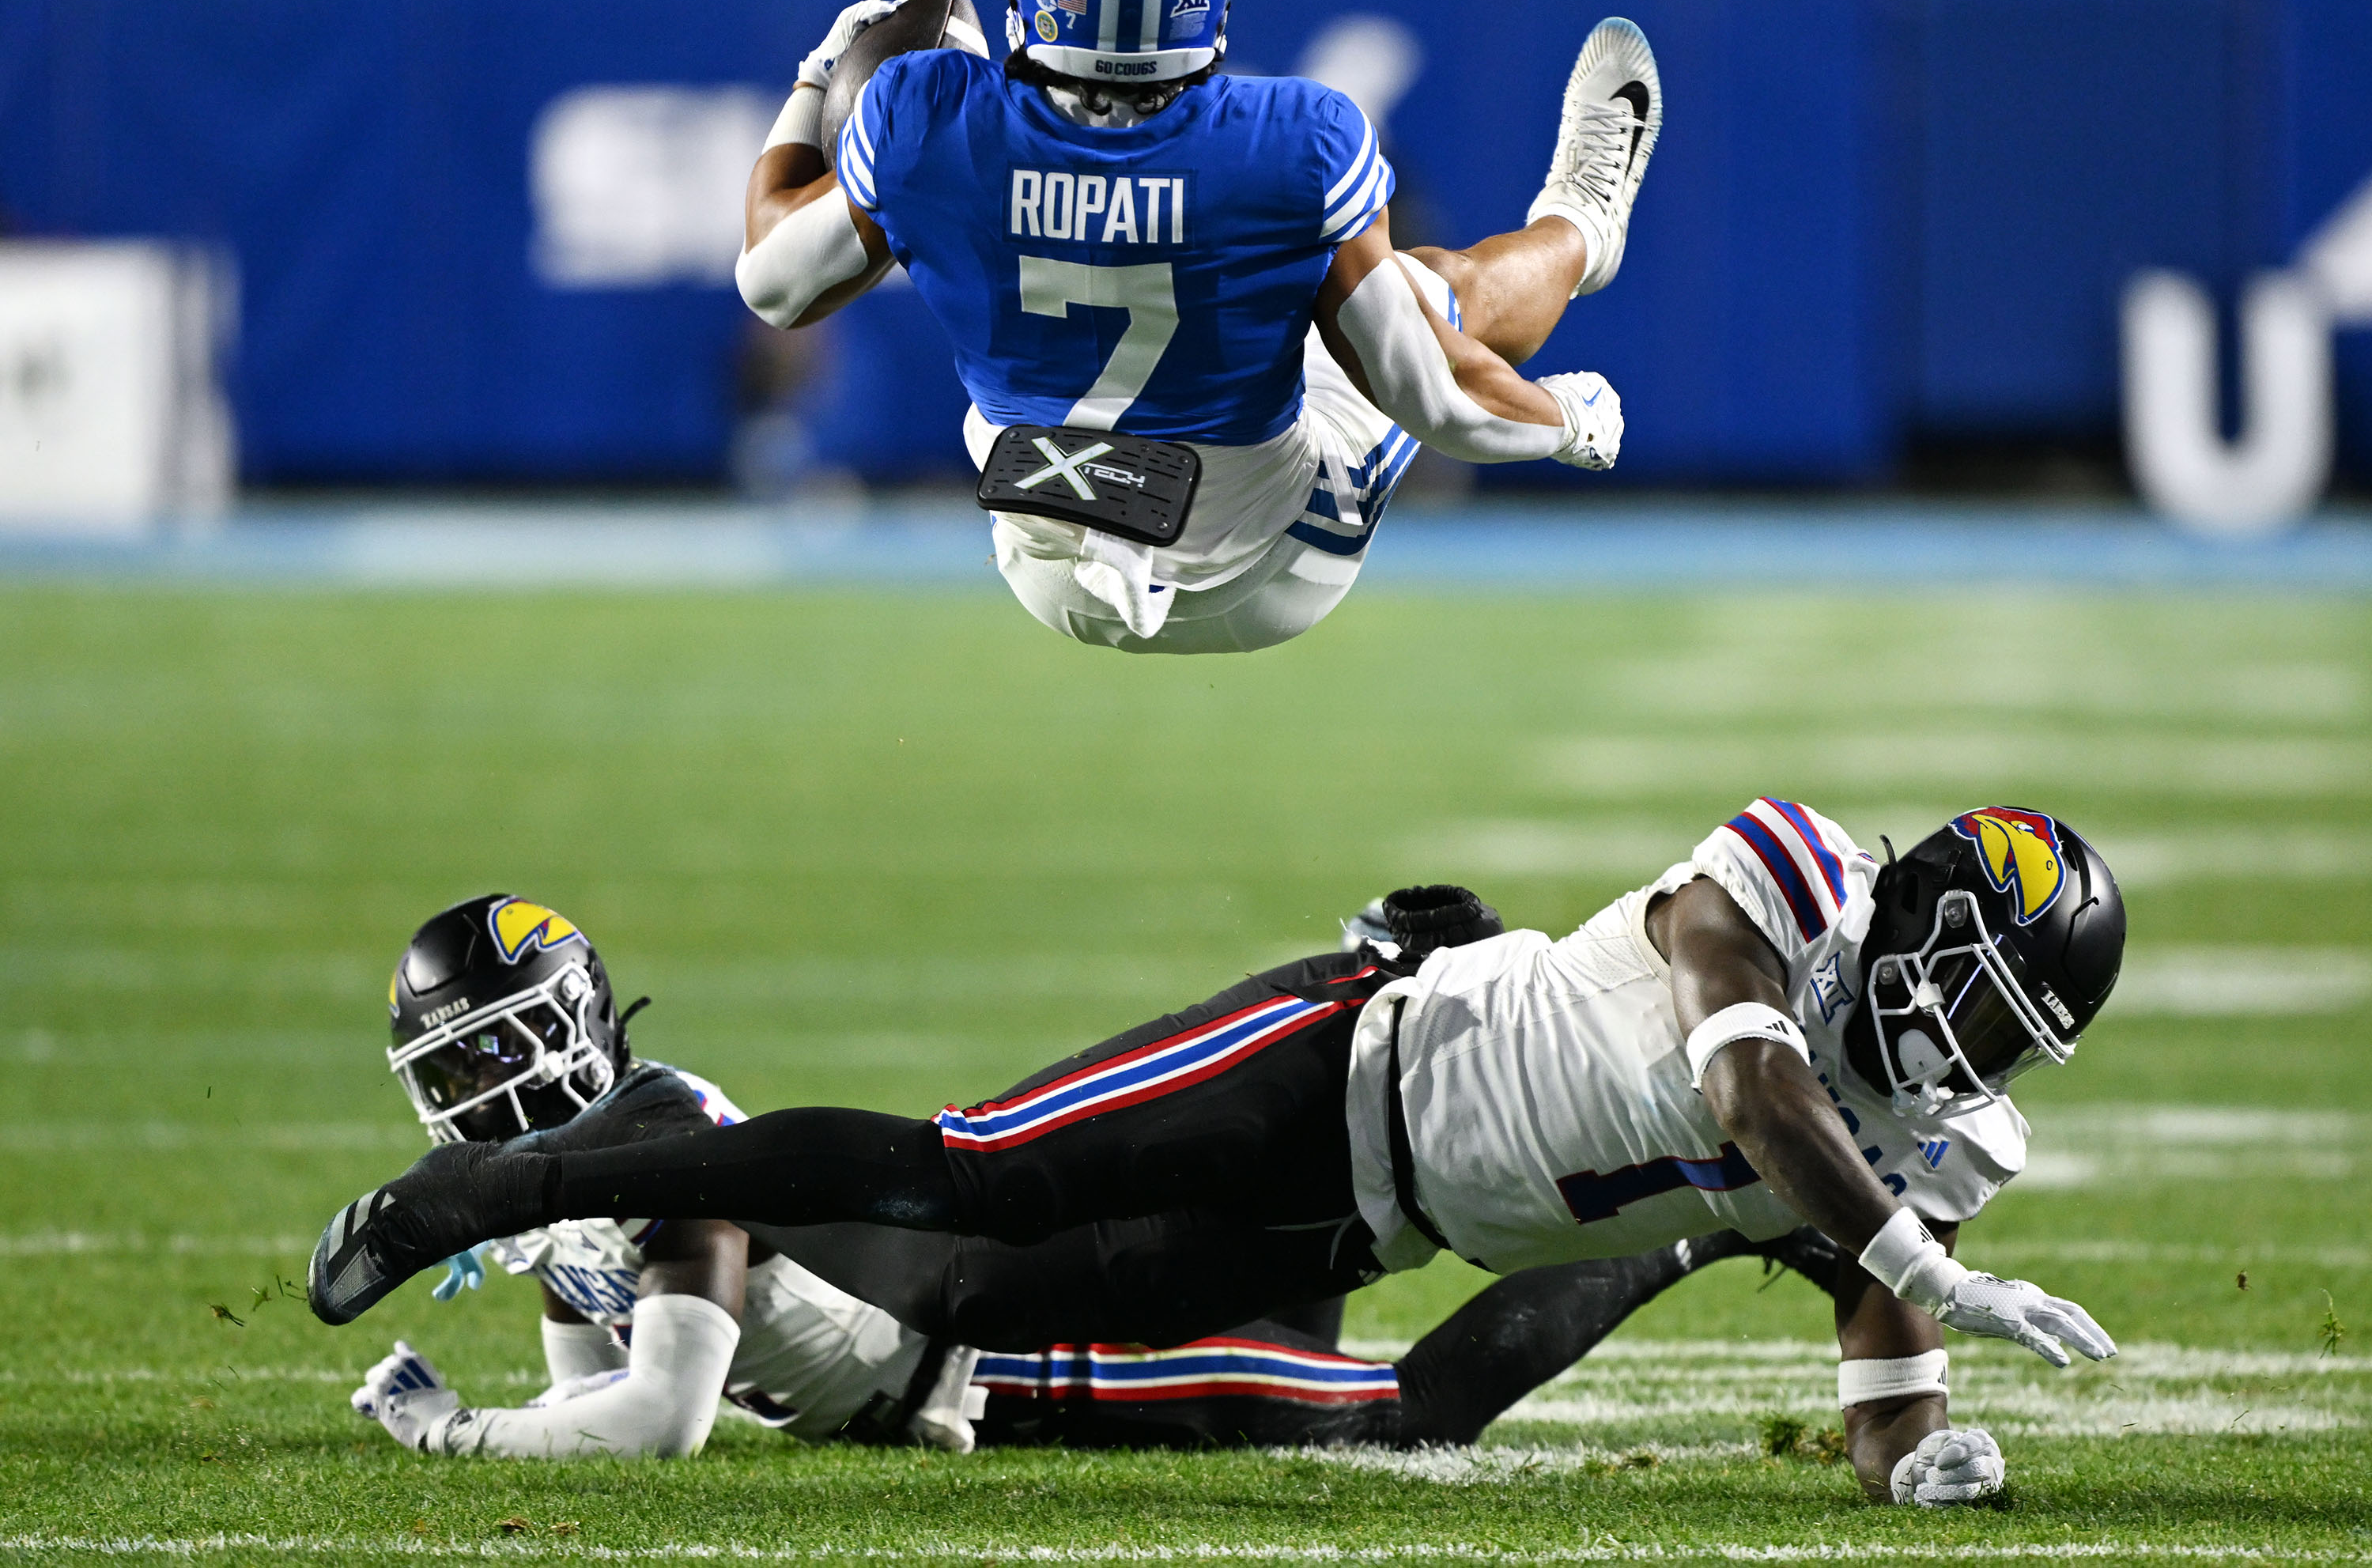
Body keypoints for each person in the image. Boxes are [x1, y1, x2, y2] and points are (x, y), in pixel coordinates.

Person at [312, 803, 2125, 1506]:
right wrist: (1909, 1251)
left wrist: (1920, 1454)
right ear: (1910, 920)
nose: (1958, 1054)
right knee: (975, 1179)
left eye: (2001, 1041)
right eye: (1961, 996)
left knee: (1105, 1336)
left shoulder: (1905, 1156)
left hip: (1384, 1213)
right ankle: (461, 1199)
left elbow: (1884, 1364)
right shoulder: (1793, 872)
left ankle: (1672, 1243)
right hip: (1329, 1056)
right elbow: (1747, 1082)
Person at [343, 893, 1835, 1458]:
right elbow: (585, 1404)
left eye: (505, 1052)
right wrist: (508, 1418)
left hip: (1005, 1353)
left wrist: (446, 1438)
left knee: (1402, 1410)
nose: (490, 1090)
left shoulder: (657, 1126)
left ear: (579, 1023)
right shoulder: (596, 1182)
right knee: (1303, 1263)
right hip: (985, 1317)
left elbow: (662, 1420)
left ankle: (1692, 1228)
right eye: (462, 1074)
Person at [731, 0, 1659, 654]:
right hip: (1267, 567)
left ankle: (1571, 226)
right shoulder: (1295, 138)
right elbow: (1441, 404)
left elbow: (774, 287)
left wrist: (823, 74)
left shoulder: (921, 116)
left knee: (997, 303)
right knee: (1423, 295)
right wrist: (1565, 420)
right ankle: (1578, 226)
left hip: (1044, 562)